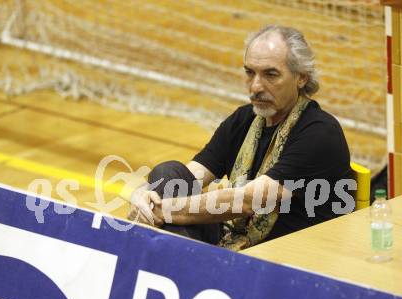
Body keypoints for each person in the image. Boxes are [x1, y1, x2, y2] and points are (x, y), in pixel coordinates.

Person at [127, 25, 353, 252]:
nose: (255, 86)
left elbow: (248, 201)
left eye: (270, 74)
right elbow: (189, 176)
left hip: (286, 255)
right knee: (168, 172)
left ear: (301, 78)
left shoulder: (320, 132)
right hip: (232, 238)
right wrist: (141, 195)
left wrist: (161, 210)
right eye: (250, 73)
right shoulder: (244, 119)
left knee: (170, 229)